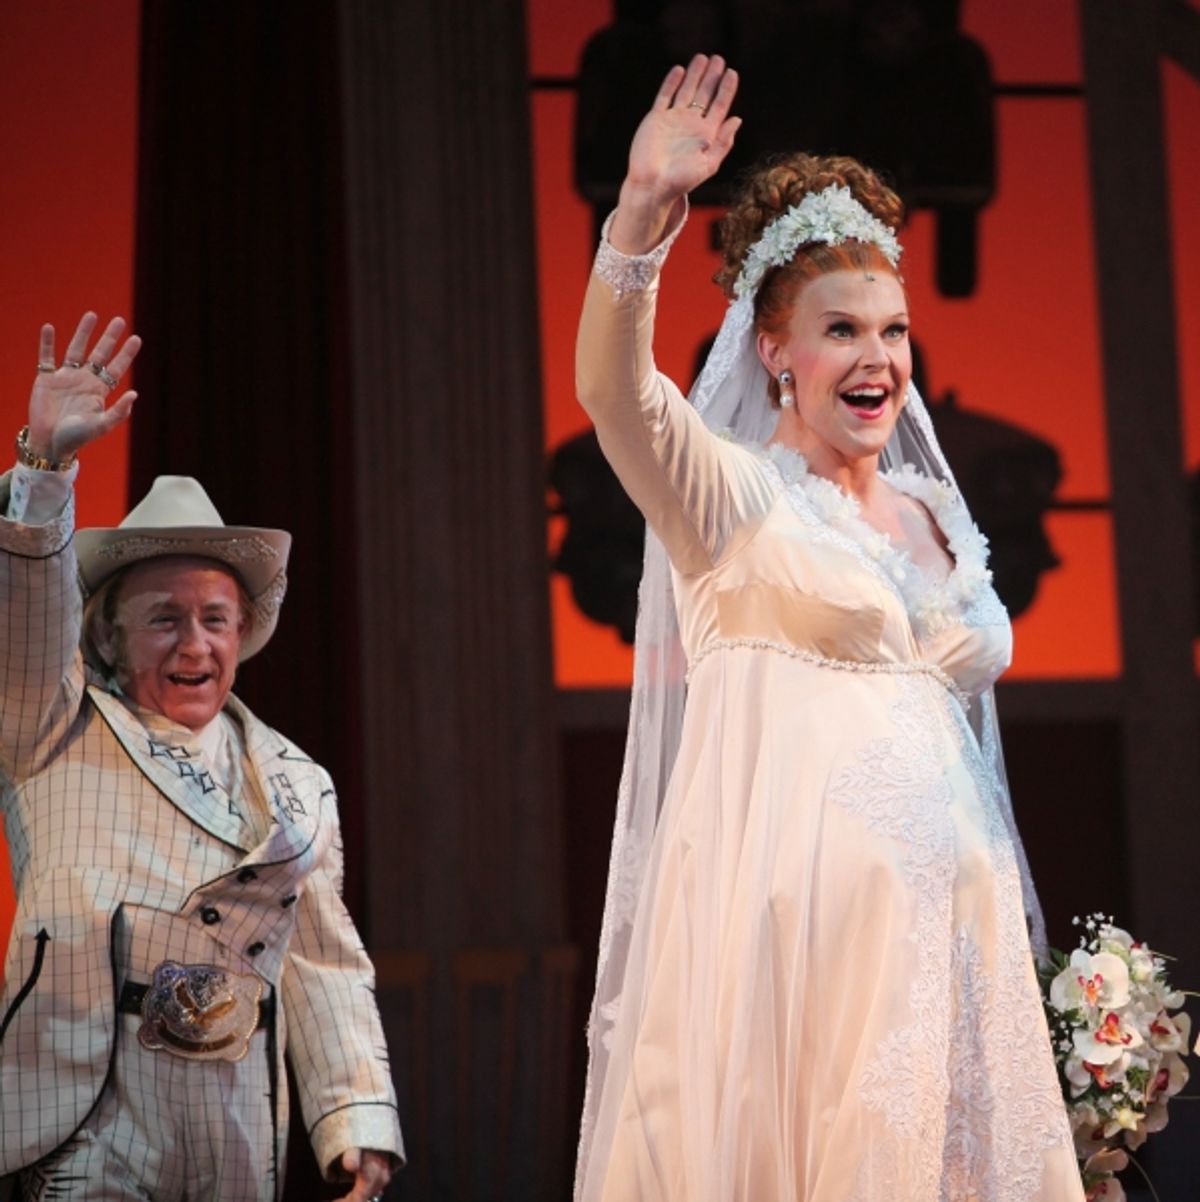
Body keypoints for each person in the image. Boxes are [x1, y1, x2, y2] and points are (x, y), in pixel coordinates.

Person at [573, 55, 1084, 1201]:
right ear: (774, 350)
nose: (877, 359)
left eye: (893, 330)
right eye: (841, 330)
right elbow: (617, 393)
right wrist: (644, 216)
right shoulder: (735, 500)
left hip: (957, 955)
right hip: (802, 963)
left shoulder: (935, 513)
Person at [0, 313, 402, 1201]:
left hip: (232, 1120)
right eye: (163, 617)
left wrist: (356, 1124)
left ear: (242, 634)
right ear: (105, 631)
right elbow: (26, 624)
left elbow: (324, 964)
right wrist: (44, 470)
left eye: (214, 619)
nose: (195, 641)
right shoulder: (48, 722)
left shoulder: (297, 783)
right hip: (85, 1116)